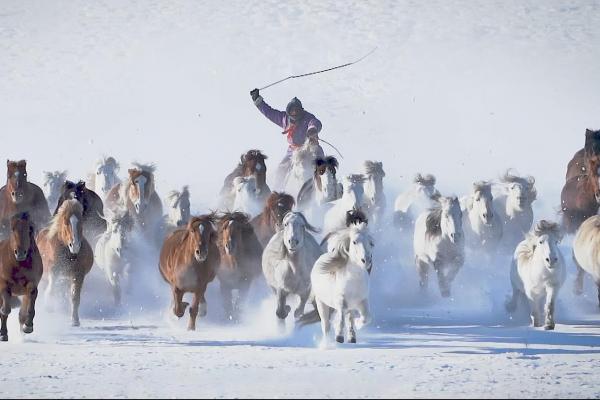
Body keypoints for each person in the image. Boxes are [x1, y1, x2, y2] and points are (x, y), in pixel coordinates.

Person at [250, 88, 324, 188]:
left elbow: (315, 122)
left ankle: (327, 185)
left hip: (310, 147)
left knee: (322, 163)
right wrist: (257, 100)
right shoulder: (284, 118)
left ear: (301, 110)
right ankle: (277, 191)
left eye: (297, 110)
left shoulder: (307, 117)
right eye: (292, 110)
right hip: (293, 150)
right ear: (288, 110)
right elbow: (269, 112)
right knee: (281, 169)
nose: (294, 112)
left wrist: (312, 130)